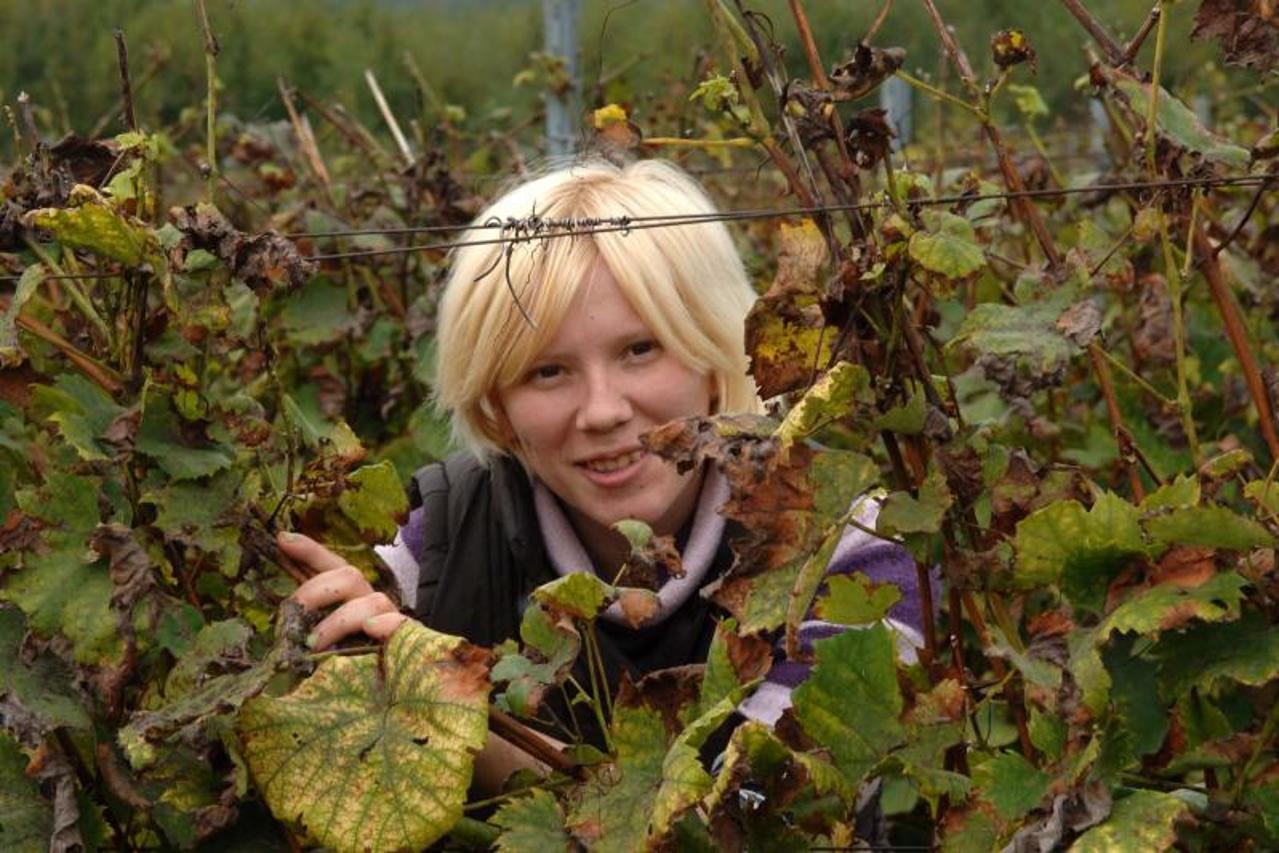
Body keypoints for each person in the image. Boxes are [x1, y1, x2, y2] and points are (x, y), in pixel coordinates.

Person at [279, 158, 925, 791]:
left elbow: (765, 817)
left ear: (715, 354)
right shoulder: (435, 541)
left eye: (639, 349)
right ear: (495, 406)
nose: (603, 411)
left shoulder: (854, 553)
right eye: (546, 371)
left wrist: (452, 712)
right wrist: (337, 648)